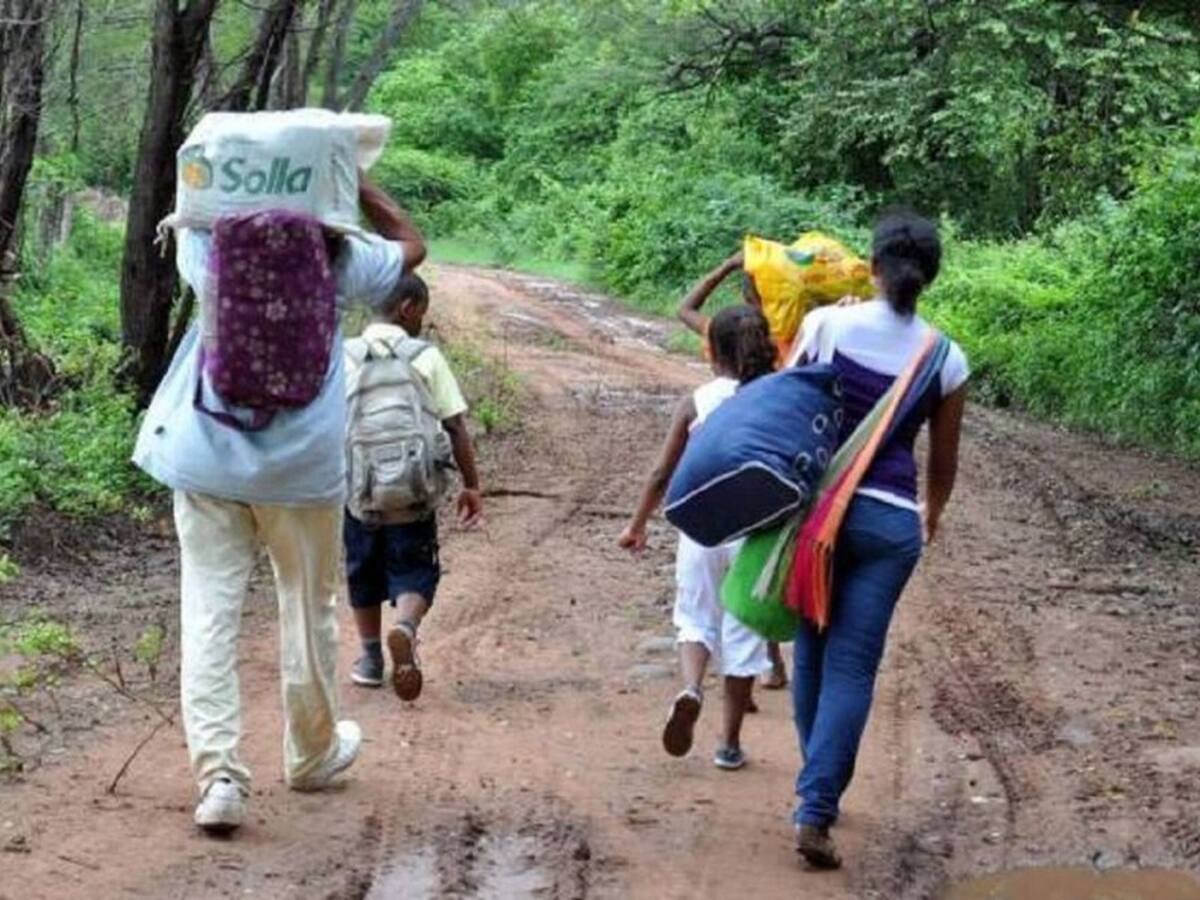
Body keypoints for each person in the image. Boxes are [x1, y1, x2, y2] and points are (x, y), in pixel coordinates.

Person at [132, 176, 426, 835]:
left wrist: (217, 174)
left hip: (205, 457)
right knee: (306, 609)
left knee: (209, 614)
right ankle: (313, 754)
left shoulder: (212, 256)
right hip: (299, 470)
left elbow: (189, 200)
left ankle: (220, 780)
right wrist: (359, 181)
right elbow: (413, 243)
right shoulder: (342, 264)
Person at [785, 212, 968, 869]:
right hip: (891, 523)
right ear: (929, 280)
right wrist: (933, 512)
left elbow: (786, 405)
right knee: (855, 664)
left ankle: (818, 791)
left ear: (872, 265)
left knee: (811, 647)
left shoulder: (828, 325)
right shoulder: (946, 358)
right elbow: (942, 462)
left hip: (820, 516)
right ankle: (816, 800)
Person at [619, 306, 778, 771]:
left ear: (715, 353)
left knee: (695, 617)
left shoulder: (698, 401)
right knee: (744, 630)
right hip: (756, 531)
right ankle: (728, 744)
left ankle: (690, 688)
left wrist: (637, 524)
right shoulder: (776, 396)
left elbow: (661, 472)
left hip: (702, 526)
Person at [343, 273, 483, 697]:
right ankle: (405, 625)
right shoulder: (425, 356)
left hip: (359, 493)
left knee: (361, 570)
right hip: (414, 491)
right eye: (422, 311)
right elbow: (455, 425)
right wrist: (472, 486)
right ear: (407, 307)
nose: (423, 321)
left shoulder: (344, 355)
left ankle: (370, 658)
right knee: (416, 568)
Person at [677, 255, 790, 693]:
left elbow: (684, 308)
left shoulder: (722, 333)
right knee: (752, 569)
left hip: (714, 475)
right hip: (763, 481)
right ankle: (766, 666)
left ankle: (730, 676)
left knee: (708, 591)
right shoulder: (781, 346)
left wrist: (721, 266)